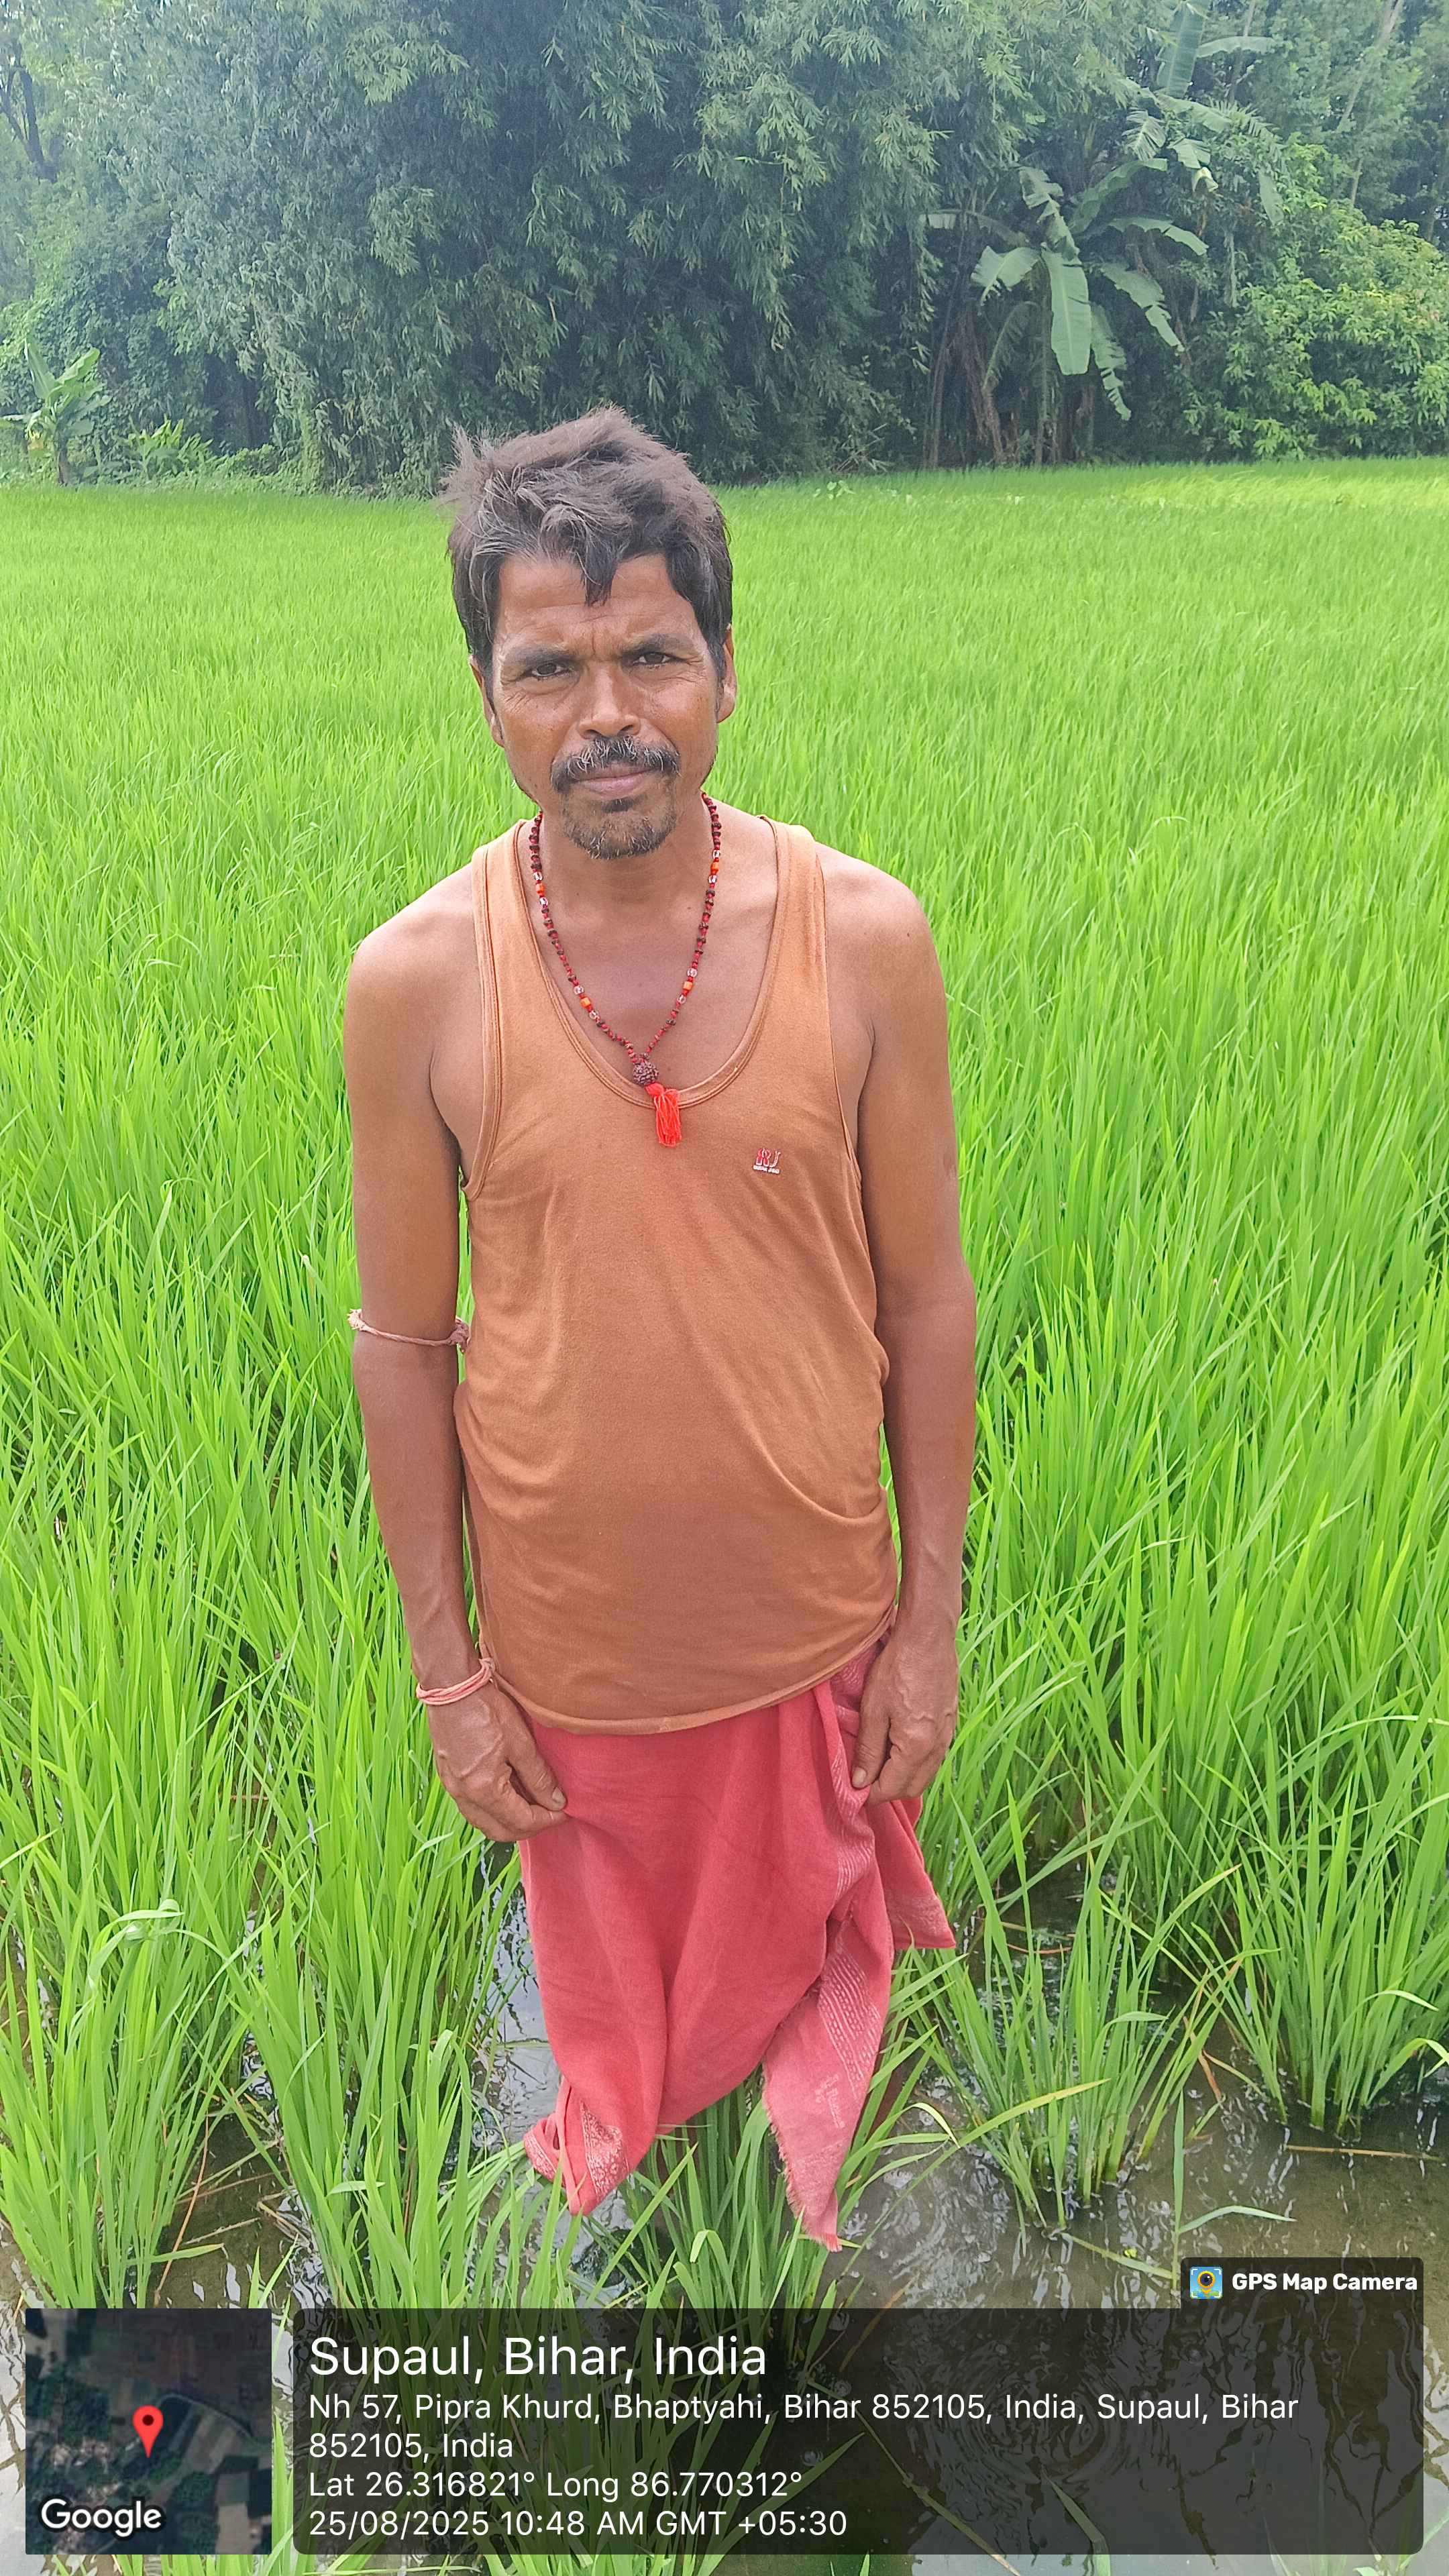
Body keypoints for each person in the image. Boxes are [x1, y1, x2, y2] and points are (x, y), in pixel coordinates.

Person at [342, 405, 975, 2249]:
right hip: (577, 1667)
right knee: (633, 2080)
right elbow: (402, 1344)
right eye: (549, 667)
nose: (605, 712)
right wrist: (451, 1677)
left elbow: (928, 1299)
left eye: (652, 657)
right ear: (487, 694)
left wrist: (929, 1624)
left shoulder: (866, 936)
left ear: (723, 670)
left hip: (817, 1639)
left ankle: (781, 2337)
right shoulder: (417, 980)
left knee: (809, 2061)